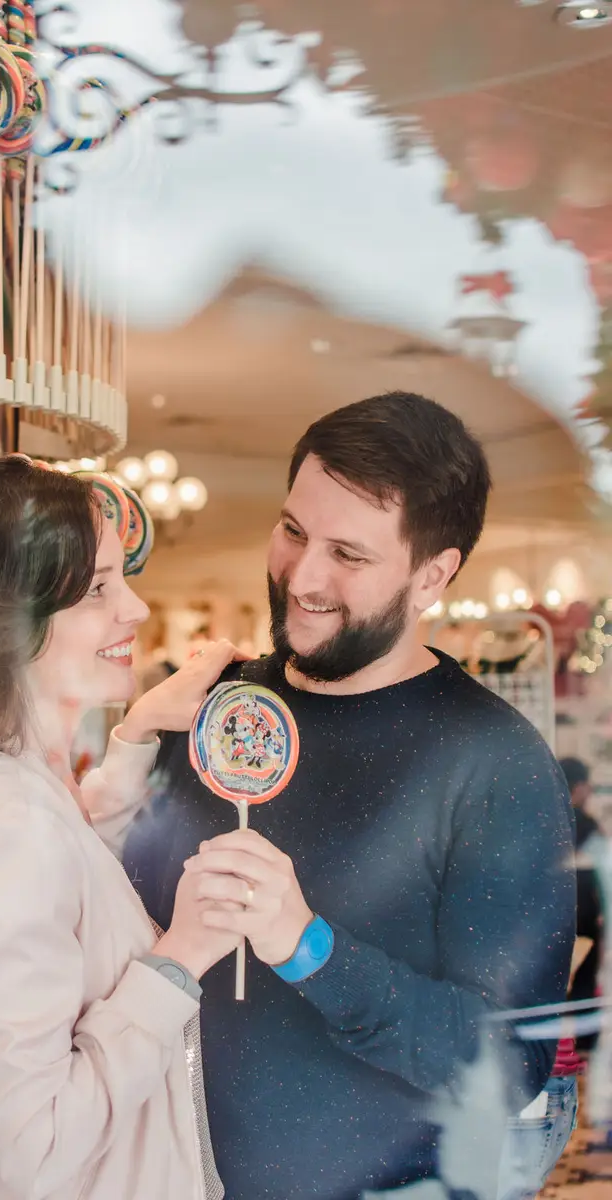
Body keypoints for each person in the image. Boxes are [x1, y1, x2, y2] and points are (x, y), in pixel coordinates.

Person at [122, 392, 576, 1200]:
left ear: (434, 575)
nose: (304, 576)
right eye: (293, 531)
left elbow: (508, 1065)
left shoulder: (496, 761)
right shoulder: (212, 708)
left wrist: (306, 943)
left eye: (349, 555)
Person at [0, 457, 245, 1200]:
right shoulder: (5, 815)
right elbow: (37, 1146)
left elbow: (62, 877)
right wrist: (180, 958)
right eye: (97, 589)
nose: (133, 610)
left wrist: (138, 731)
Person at [560, 757, 603, 1044]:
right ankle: (584, 1045)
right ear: (578, 787)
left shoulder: (546, 819)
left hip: (553, 915)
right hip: (584, 915)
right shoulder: (585, 824)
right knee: (584, 982)